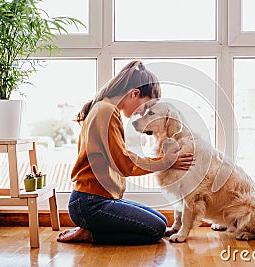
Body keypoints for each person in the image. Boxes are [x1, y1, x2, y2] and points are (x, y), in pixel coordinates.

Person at [57, 60, 194, 245]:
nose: (141, 114)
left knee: (161, 222)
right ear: (135, 93)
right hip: (90, 203)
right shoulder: (105, 111)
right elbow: (124, 164)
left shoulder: (105, 109)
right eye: (145, 107)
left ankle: (90, 227)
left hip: (97, 200)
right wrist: (166, 161)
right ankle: (91, 234)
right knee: (156, 230)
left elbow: (118, 157)